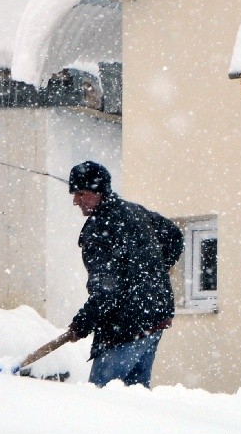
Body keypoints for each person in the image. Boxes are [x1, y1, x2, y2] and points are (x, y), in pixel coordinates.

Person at [19, 161, 183, 387]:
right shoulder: (134, 211)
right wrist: (153, 271)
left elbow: (108, 292)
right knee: (134, 399)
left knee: (101, 399)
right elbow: (174, 235)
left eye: (81, 193)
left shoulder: (99, 229)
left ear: (99, 192)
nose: (76, 200)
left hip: (125, 325)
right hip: (154, 317)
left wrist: (82, 324)